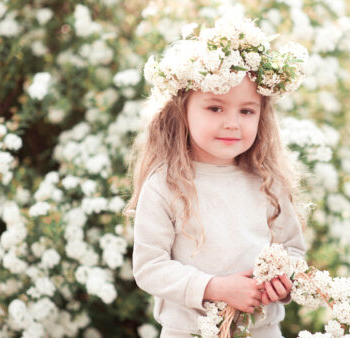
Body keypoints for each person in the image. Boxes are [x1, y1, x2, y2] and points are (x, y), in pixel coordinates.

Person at [125, 14, 309, 338]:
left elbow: (292, 251)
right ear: (182, 110)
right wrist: (216, 288)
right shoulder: (166, 185)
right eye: (215, 108)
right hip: (189, 332)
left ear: (261, 116)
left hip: (262, 331)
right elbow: (150, 267)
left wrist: (282, 281)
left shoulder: (268, 182)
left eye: (246, 111)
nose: (232, 123)